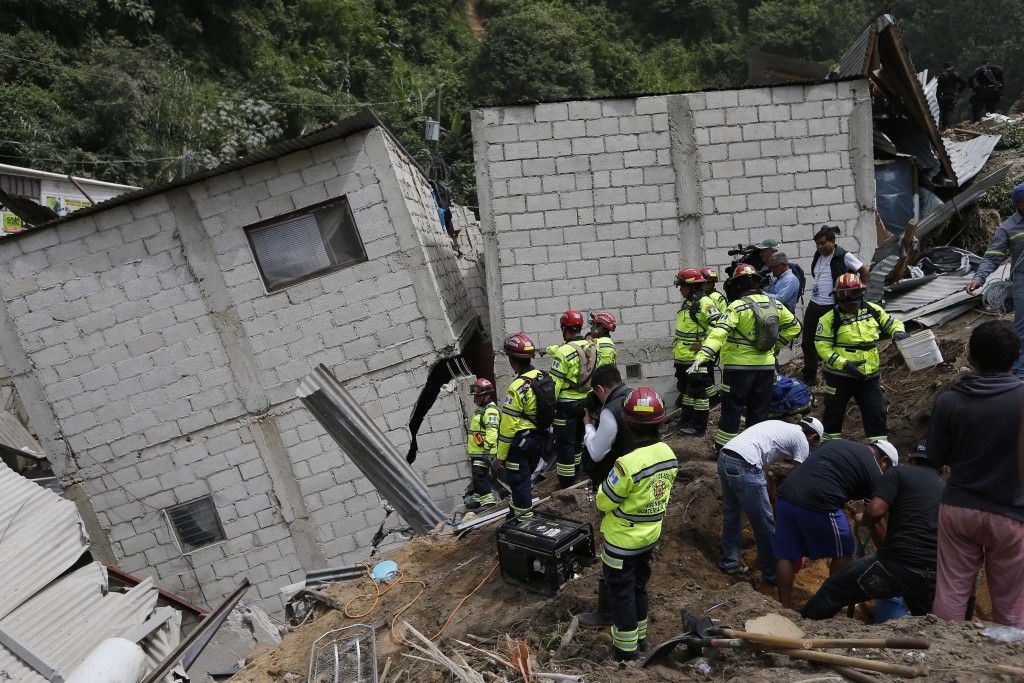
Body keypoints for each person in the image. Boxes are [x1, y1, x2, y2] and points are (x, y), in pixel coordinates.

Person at [927, 320, 1024, 627]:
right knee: (1012, 599)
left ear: (971, 357)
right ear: (1017, 356)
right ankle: (1010, 652)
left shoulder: (949, 400)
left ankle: (945, 648)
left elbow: (934, 457)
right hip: (1012, 513)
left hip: (960, 507)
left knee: (951, 590)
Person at [800, 441, 944, 619]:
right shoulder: (946, 487)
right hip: (931, 572)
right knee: (925, 618)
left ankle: (802, 623)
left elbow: (875, 511)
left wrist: (865, 519)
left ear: (910, 459)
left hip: (895, 567)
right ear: (941, 465)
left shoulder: (898, 473)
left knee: (834, 589)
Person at [595, 387, 678, 661]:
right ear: (660, 422)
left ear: (627, 423)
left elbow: (604, 501)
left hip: (622, 543)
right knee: (639, 587)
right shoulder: (668, 454)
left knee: (621, 595)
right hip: (649, 537)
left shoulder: (626, 464)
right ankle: (641, 638)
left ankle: (625, 651)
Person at [773, 439, 898, 608]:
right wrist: (888, 554)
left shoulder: (838, 444)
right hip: (819, 501)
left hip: (785, 496)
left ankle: (784, 607)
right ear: (884, 462)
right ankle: (829, 602)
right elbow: (876, 519)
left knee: (787, 555)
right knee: (845, 549)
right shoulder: (875, 472)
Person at [690, 264, 801, 450]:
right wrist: (774, 347)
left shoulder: (737, 306)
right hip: (766, 368)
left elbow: (719, 333)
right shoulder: (775, 304)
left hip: (738, 370)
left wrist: (702, 355)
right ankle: (755, 449)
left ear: (738, 285)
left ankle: (724, 449)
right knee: (759, 411)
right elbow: (795, 327)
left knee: (732, 410)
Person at [717, 417, 823, 582]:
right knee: (765, 524)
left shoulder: (782, 426)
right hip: (746, 464)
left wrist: (770, 487)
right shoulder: (802, 439)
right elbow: (800, 476)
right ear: (813, 437)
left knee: (732, 514)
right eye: (814, 444)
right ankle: (772, 574)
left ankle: (730, 563)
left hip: (725, 456)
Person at [814, 273, 908, 442]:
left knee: (876, 414)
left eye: (853, 303)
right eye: (846, 303)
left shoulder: (873, 310)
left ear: (860, 296)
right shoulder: (829, 319)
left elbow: (891, 323)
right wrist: (844, 364)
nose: (850, 306)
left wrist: (898, 332)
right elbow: (823, 348)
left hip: (869, 376)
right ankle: (829, 448)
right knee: (833, 415)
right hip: (839, 377)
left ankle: (878, 448)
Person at [966, 182, 1024, 377]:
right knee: (1022, 325)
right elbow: (992, 257)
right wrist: (979, 278)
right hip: (1022, 279)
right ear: (1020, 203)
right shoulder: (1008, 228)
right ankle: (1019, 371)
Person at [802, 225, 870, 385]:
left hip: (832, 305)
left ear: (833, 242)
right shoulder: (818, 256)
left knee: (833, 341)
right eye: (817, 244)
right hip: (815, 303)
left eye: (823, 243)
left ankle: (836, 375)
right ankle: (810, 377)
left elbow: (864, 271)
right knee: (808, 341)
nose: (820, 247)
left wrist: (859, 292)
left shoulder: (843, 255)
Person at [496, 333, 546, 520]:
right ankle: (514, 514)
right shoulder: (542, 376)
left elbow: (508, 426)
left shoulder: (517, 387)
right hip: (539, 440)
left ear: (512, 361)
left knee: (519, 482)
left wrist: (501, 456)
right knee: (523, 481)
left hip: (521, 445)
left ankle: (525, 524)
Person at [545, 310, 595, 487]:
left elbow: (555, 385)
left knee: (565, 444)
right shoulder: (591, 347)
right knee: (579, 439)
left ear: (564, 328)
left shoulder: (564, 352)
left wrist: (549, 409)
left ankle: (566, 483)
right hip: (586, 403)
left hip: (566, 406)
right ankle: (577, 473)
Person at [672, 268, 722, 436]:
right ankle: (686, 419)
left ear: (693, 287)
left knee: (699, 394)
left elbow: (719, 328)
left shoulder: (705, 303)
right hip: (683, 357)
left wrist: (704, 345)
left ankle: (698, 427)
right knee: (687, 392)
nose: (680, 290)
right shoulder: (689, 302)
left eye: (683, 286)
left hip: (696, 358)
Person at [582, 364, 634, 488]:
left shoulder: (610, 411)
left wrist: (588, 425)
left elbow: (596, 454)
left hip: (618, 478)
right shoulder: (634, 395)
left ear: (600, 389)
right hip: (640, 468)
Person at [465, 377, 499, 509]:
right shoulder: (482, 409)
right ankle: (478, 497)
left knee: (480, 475)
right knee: (476, 475)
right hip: (477, 451)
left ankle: (488, 502)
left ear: (486, 395)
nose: (475, 399)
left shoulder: (490, 411)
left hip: (484, 451)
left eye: (478, 396)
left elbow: (492, 432)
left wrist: (487, 451)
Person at [968, 58, 1004, 122]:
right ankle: (992, 121)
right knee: (991, 108)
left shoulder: (980, 69)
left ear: (983, 64)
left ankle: (976, 122)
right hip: (994, 91)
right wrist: (1000, 89)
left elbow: (970, 77)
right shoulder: (997, 68)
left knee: (977, 108)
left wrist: (972, 87)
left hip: (983, 90)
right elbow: (1001, 81)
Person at [936, 61, 967, 129]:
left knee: (943, 113)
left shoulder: (941, 76)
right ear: (951, 67)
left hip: (943, 96)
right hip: (951, 96)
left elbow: (938, 88)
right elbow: (964, 83)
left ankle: (944, 128)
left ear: (943, 68)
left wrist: (938, 97)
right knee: (949, 113)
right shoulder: (955, 75)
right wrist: (958, 91)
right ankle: (949, 127)